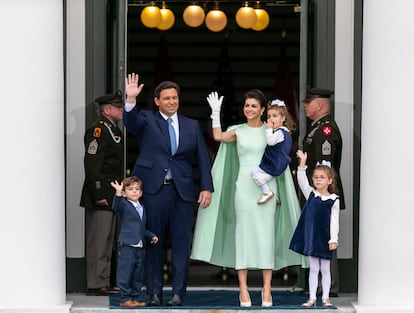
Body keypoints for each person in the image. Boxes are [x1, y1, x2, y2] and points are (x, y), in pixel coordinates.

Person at [191, 90, 306, 307]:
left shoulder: (272, 130)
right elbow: (217, 137)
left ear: (263, 110)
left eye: (254, 106)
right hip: (244, 188)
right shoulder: (237, 130)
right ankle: (242, 290)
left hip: (267, 188)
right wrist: (215, 113)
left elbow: (280, 158)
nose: (249, 109)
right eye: (247, 105)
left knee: (266, 238)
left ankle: (267, 290)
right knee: (242, 237)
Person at [122, 73, 214, 307]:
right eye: (166, 98)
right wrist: (130, 100)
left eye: (174, 98)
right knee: (154, 243)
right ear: (157, 101)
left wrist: (206, 187)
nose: (171, 102)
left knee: (182, 243)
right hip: (154, 191)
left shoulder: (191, 125)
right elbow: (130, 122)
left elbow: (202, 159)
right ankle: (154, 292)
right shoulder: (146, 120)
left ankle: (178, 293)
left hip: (181, 192)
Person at [80, 90, 124, 296]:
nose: (121, 109)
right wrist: (98, 193)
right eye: (118, 107)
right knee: (98, 239)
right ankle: (95, 283)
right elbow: (92, 164)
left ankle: (103, 280)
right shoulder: (98, 131)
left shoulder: (112, 130)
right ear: (107, 110)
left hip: (112, 192)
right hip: (101, 193)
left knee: (107, 239)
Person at [302, 87, 344, 297]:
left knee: (327, 237)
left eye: (308, 102)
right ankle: (317, 285)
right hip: (317, 193)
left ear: (319, 104)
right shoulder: (317, 128)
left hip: (323, 193)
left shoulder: (326, 129)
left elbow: (325, 164)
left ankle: (330, 286)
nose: (305, 106)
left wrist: (321, 192)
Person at [289, 150, 339, 307]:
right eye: (316, 177)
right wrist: (302, 162)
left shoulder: (333, 200)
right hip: (311, 237)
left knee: (325, 268)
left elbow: (334, 221)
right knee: (313, 268)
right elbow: (301, 180)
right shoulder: (311, 194)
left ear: (330, 181)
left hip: (324, 238)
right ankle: (312, 297)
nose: (318, 180)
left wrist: (333, 238)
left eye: (322, 177)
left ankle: (325, 297)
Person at [111, 177, 158, 307]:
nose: (134, 191)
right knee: (125, 273)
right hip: (128, 245)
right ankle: (125, 299)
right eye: (130, 189)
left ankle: (134, 298)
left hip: (140, 246)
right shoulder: (124, 205)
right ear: (125, 193)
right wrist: (118, 193)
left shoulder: (142, 207)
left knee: (137, 274)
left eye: (137, 189)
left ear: (141, 193)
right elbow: (116, 207)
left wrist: (151, 235)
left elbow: (142, 227)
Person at [250, 98, 295, 205]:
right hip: (275, 162)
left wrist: (268, 129)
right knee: (259, 174)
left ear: (283, 118)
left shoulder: (280, 133)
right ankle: (275, 196)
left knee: (256, 175)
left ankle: (267, 192)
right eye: (269, 116)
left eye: (275, 116)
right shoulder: (284, 131)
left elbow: (270, 141)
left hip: (274, 164)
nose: (271, 119)